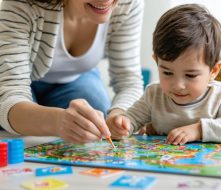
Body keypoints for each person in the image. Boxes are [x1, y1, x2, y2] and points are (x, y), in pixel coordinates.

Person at [0, 0, 144, 144]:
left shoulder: (128, 3)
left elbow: (129, 81)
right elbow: (9, 99)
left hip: (77, 77)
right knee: (17, 132)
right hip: (10, 79)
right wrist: (56, 121)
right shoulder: (21, 4)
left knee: (96, 119)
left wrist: (119, 114)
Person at [109, 4, 221, 145]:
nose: (178, 85)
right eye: (167, 72)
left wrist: (199, 130)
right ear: (157, 62)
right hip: (160, 167)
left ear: (214, 71)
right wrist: (121, 125)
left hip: (203, 168)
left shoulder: (220, 95)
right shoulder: (153, 95)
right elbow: (130, 120)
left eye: (190, 75)